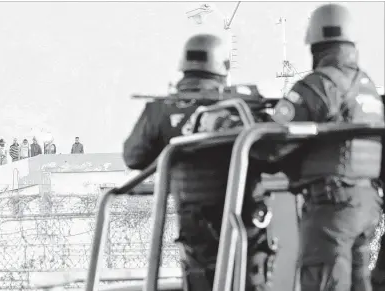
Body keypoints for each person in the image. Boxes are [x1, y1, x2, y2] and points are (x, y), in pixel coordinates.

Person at [123, 33, 275, 291]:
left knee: (202, 278)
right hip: (245, 217)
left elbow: (134, 156)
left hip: (194, 224)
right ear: (222, 67)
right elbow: (274, 151)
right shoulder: (240, 105)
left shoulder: (161, 109)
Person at [256, 4, 383, 290]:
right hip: (366, 204)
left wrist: (255, 126)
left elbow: (272, 144)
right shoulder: (368, 88)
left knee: (323, 281)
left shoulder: (318, 85)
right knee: (357, 282)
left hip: (331, 208)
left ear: (315, 45)